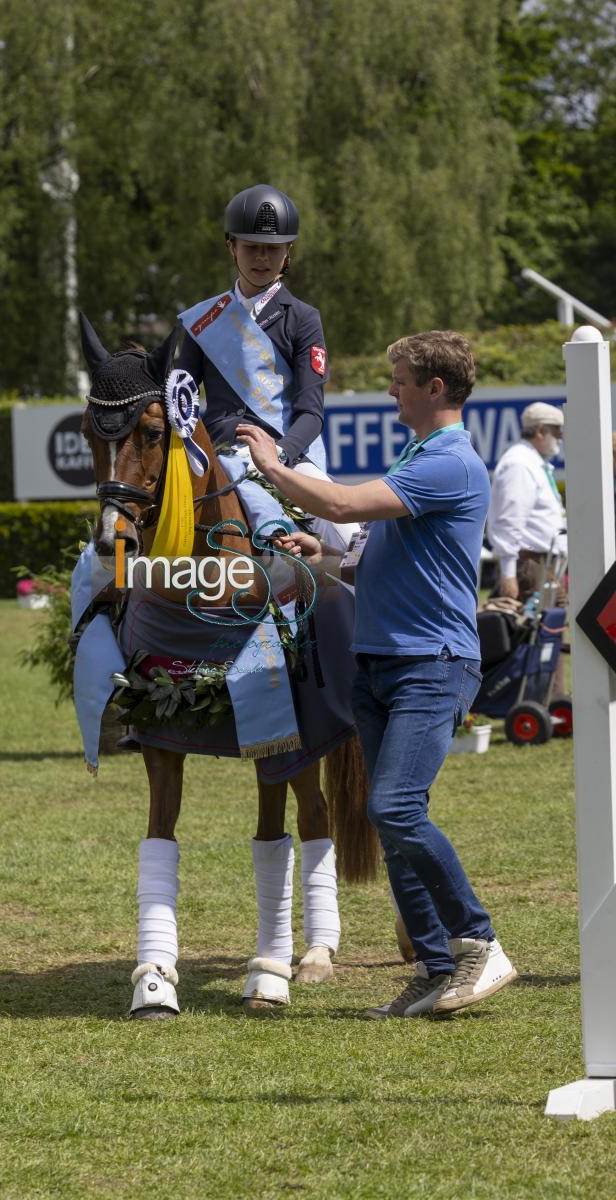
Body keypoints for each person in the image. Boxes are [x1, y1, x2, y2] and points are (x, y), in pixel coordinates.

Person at [237, 330, 517, 1018]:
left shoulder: (449, 460)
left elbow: (339, 504)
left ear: (435, 389)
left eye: (400, 379)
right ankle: (433, 966)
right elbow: (366, 559)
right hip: (383, 665)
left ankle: (479, 942)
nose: (391, 389)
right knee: (391, 817)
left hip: (431, 665)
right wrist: (321, 558)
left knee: (394, 807)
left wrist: (272, 465)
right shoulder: (419, 456)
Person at [177, 183, 354, 551]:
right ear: (231, 247)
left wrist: (280, 455)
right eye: (251, 247)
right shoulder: (202, 321)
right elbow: (182, 401)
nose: (262, 258)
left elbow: (311, 412)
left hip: (286, 456)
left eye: (272, 249)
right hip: (219, 453)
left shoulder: (304, 319)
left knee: (351, 539)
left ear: (287, 251)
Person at [487, 402, 567, 604]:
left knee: (550, 625)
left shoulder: (532, 462)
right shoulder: (519, 464)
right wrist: (509, 573)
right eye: (557, 430)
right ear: (540, 431)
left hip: (539, 562)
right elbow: (509, 520)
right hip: (528, 563)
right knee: (539, 630)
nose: (561, 437)